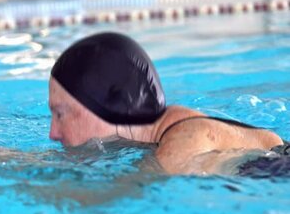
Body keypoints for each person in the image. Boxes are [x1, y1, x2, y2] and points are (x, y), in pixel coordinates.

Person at [47, 32, 288, 176]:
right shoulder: (166, 133)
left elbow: (112, 197)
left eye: (60, 114)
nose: (53, 133)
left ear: (107, 106)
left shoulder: (183, 141)